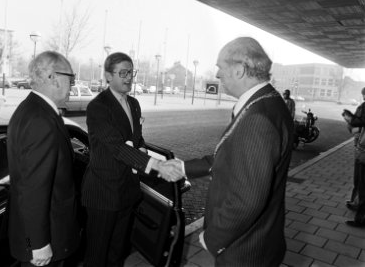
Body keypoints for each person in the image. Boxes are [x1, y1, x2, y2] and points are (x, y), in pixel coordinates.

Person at [186, 37, 293, 266]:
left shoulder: (257, 118)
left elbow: (247, 199)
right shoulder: (267, 103)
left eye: (220, 67)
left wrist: (213, 238)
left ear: (239, 70)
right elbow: (233, 158)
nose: (217, 75)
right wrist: (183, 168)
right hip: (259, 241)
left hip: (244, 249)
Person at [81, 52, 185, 267]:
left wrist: (143, 150)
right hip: (103, 193)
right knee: (97, 254)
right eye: (123, 73)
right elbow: (116, 146)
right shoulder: (98, 107)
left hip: (127, 191)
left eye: (131, 72)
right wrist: (156, 165)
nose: (129, 77)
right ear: (108, 76)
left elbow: (135, 138)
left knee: (118, 251)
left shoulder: (134, 104)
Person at [7, 51, 81, 267]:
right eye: (71, 78)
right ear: (53, 78)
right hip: (46, 239)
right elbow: (33, 188)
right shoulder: (41, 120)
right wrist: (38, 244)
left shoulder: (29, 110)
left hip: (37, 233)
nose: (73, 85)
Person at [342, 87, 365, 227]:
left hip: (364, 153)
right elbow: (356, 127)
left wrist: (349, 117)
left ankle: (361, 219)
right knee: (359, 181)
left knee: (363, 185)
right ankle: (357, 204)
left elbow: (356, 123)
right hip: (361, 150)